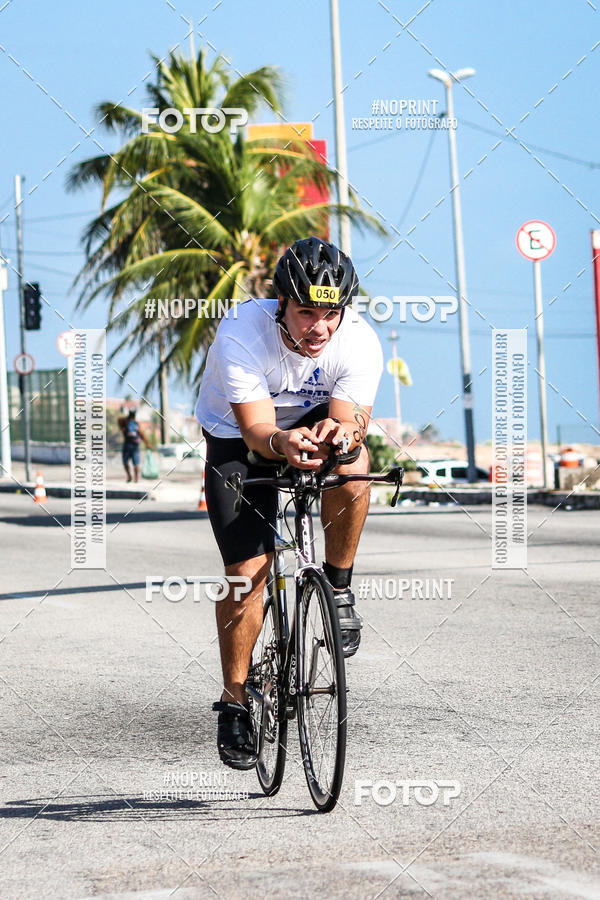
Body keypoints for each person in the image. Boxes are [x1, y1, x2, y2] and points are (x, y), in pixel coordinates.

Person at [195, 236, 383, 769]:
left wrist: (341, 434)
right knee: (246, 572)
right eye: (305, 313)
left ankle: (338, 586)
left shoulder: (360, 341)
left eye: (331, 313)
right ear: (281, 305)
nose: (319, 327)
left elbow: (353, 419)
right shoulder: (241, 334)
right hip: (239, 435)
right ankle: (234, 700)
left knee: (355, 463)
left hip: (308, 420)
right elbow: (256, 430)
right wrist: (281, 444)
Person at [118, 408, 151, 482]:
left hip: (127, 444)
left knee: (125, 462)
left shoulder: (125, 422)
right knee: (136, 463)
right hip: (135, 445)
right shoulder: (135, 424)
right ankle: (136, 478)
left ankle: (130, 476)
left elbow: (119, 420)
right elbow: (142, 434)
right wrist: (147, 443)